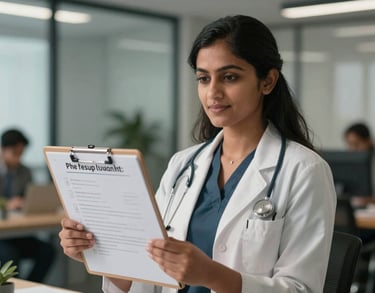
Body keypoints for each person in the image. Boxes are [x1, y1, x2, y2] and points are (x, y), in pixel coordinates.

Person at [59, 15, 336, 293]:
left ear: (267, 81)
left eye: (230, 77)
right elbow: (147, 279)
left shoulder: (305, 171)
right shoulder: (183, 165)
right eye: (204, 78)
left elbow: (302, 289)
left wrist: (213, 275)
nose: (213, 92)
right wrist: (97, 254)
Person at [0, 129, 55, 282]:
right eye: (15, 153)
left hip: (18, 231)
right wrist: (7, 204)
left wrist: (25, 203)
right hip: (2, 235)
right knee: (10, 256)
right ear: (3, 150)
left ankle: (29, 287)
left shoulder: (25, 171)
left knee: (47, 251)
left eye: (21, 153)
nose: (19, 158)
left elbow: (30, 196)